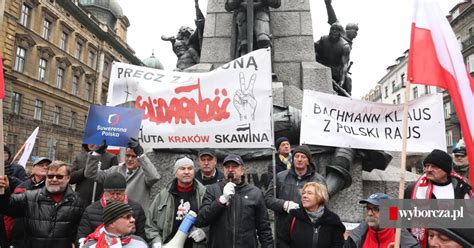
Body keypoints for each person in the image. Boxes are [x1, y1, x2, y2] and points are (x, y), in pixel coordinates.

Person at [0, 160, 84, 247]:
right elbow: (6, 206)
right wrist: (4, 191)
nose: (54, 179)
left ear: (68, 178)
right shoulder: (29, 197)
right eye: (50, 176)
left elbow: (81, 232)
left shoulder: (77, 202)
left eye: (59, 177)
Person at [198, 154, 273, 248]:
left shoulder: (255, 193)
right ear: (223, 170)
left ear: (242, 170)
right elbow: (201, 219)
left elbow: (264, 228)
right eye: (227, 167)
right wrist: (221, 200)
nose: (230, 169)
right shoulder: (212, 190)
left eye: (234, 166)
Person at [404, 149, 472, 246]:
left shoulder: (462, 187)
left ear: (446, 169)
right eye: (426, 166)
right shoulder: (413, 190)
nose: (428, 169)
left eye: (434, 166)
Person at [265, 145, 326, 247]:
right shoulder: (280, 177)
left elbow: (322, 204)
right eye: (296, 156)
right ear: (292, 159)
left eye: (303, 157)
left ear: (308, 161)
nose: (299, 159)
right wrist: (284, 204)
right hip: (283, 233)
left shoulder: (318, 180)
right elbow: (267, 199)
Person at [85, 138, 160, 213]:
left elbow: (154, 177)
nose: (130, 159)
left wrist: (141, 154)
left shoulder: (144, 174)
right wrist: (96, 153)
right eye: (127, 155)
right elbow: (90, 174)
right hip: (114, 217)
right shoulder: (114, 170)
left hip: (135, 218)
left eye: (133, 156)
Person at [146, 156, 207, 248]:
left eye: (190, 168)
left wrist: (205, 233)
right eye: (182, 168)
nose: (186, 172)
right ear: (175, 172)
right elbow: (150, 225)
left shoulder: (205, 194)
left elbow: (216, 222)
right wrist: (156, 241)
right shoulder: (163, 195)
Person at [77, 172, 146, 243]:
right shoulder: (90, 211)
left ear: (124, 192)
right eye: (112, 193)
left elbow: (141, 237)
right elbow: (83, 236)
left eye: (119, 193)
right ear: (105, 193)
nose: (115, 197)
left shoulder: (136, 209)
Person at [278, 182, 345, 247]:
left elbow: (338, 244)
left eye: (309, 193)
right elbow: (282, 241)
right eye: (303, 193)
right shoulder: (294, 216)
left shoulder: (332, 220)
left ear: (320, 196)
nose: (304, 196)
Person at [345, 193, 420, 248]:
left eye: (376, 209)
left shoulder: (408, 244)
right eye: (368, 208)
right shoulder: (353, 240)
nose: (369, 213)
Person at [8, 157, 51, 248]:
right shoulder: (22, 185)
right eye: (41, 165)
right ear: (33, 169)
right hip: (21, 235)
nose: (45, 167)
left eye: (47, 165)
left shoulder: (53, 186)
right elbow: (12, 208)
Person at [81, 201, 148, 247]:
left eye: (132, 216)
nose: (133, 220)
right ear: (111, 223)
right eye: (127, 217)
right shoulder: (91, 246)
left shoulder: (140, 243)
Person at [315, 23, 352, 96]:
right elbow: (317, 55)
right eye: (332, 30)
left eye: (337, 31)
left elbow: (344, 64)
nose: (334, 32)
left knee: (347, 81)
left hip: (337, 71)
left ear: (340, 34)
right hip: (323, 67)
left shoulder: (345, 46)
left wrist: (342, 80)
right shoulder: (323, 39)